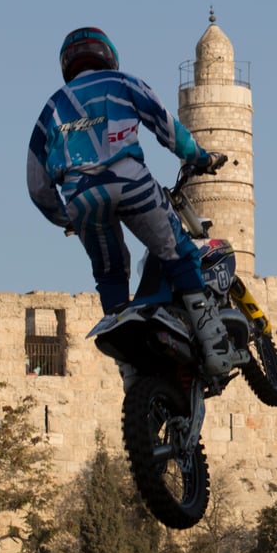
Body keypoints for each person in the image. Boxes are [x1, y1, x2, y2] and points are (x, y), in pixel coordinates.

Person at [27, 27, 232, 375]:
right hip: (129, 181)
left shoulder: (51, 108)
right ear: (107, 55)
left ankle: (130, 371)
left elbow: (37, 183)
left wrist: (66, 218)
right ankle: (214, 343)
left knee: (109, 273)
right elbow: (166, 127)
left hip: (81, 198)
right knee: (178, 253)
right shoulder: (124, 83)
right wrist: (198, 157)